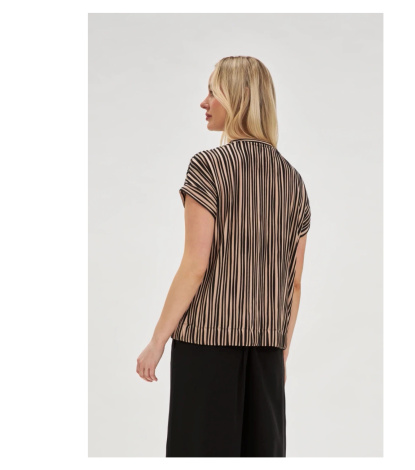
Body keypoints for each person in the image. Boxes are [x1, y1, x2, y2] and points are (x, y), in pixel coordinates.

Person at [136, 56, 311, 457]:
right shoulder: (293, 180)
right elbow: (294, 283)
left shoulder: (208, 167)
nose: (204, 102)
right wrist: (280, 355)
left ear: (240, 97)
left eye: (213, 91)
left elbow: (194, 267)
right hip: (267, 350)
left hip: (206, 348)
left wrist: (157, 342)